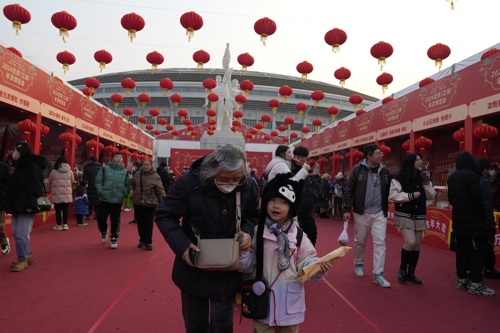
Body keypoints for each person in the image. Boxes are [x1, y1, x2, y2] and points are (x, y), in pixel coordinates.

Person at [155, 144, 260, 333]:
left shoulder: (248, 184)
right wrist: (183, 246)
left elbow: (253, 214)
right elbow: (164, 214)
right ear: (212, 172)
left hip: (228, 266)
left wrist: (247, 231)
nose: (230, 183)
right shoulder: (188, 183)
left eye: (236, 179)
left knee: (222, 324)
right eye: (224, 178)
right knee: (195, 323)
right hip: (194, 265)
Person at [238, 173, 332, 332]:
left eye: (283, 202)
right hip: (262, 299)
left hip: (289, 300)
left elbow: (305, 260)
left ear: (291, 208)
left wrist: (315, 266)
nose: (276, 206)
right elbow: (247, 265)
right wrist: (244, 251)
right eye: (272, 200)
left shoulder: (298, 235)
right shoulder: (257, 232)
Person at [343, 144, 391, 288]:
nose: (380, 156)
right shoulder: (358, 169)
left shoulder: (385, 171)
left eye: (381, 153)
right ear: (369, 156)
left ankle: (378, 274)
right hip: (361, 211)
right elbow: (349, 190)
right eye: (377, 153)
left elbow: (388, 190)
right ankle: (358, 263)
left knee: (380, 242)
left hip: (379, 212)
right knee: (360, 241)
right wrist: (346, 208)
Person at [448, 152, 494, 296]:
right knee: (478, 252)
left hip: (458, 223)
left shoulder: (452, 177)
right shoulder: (472, 176)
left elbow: (451, 200)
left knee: (461, 252)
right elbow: (478, 201)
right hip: (473, 223)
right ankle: (476, 283)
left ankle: (461, 280)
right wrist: (485, 217)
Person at [389, 153, 436, 285]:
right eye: (418, 160)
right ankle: (402, 269)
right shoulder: (400, 177)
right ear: (410, 162)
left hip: (419, 214)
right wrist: (409, 196)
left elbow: (431, 195)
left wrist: (427, 182)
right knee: (410, 242)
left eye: (421, 159)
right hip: (405, 214)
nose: (421, 162)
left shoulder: (422, 177)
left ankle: (411, 273)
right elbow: (393, 195)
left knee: (416, 245)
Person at [4, 142, 48, 272]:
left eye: (15, 151)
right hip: (17, 205)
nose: (13, 153)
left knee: (22, 233)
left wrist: (30, 203)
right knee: (16, 233)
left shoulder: (32, 167)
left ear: (20, 151)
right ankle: (27, 254)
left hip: (26, 205)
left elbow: (35, 187)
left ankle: (22, 259)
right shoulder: (20, 167)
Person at [95, 152, 130, 249]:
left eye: (120, 157)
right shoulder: (105, 169)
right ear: (112, 158)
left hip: (117, 199)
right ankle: (104, 231)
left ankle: (114, 238)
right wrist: (101, 192)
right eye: (117, 157)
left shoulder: (126, 172)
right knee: (101, 217)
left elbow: (128, 185)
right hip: (104, 198)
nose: (118, 159)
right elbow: (98, 181)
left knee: (115, 219)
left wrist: (124, 194)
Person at [129, 159, 165, 251]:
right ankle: (142, 240)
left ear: (151, 166)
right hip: (138, 202)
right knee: (140, 222)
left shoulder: (155, 176)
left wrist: (164, 201)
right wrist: (131, 190)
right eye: (144, 165)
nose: (146, 166)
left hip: (150, 203)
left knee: (148, 222)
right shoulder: (137, 174)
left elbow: (160, 190)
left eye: (147, 165)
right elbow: (130, 184)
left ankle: (148, 241)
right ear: (142, 165)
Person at [477, 157, 500, 279]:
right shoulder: (484, 181)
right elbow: (487, 202)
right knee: (486, 245)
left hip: (478, 217)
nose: (491, 171)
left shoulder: (474, 180)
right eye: (489, 169)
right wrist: (490, 221)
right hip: (485, 218)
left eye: (493, 169)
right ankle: (487, 270)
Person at [291, 146, 318, 246]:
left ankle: (309, 257)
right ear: (294, 156)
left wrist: (315, 196)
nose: (301, 159)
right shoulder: (290, 169)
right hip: (294, 210)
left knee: (312, 232)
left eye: (303, 157)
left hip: (306, 210)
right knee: (294, 236)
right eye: (298, 156)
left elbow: (313, 186)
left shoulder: (309, 171)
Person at [49, 155, 75, 231]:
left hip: (57, 194)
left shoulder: (53, 171)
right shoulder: (70, 171)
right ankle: (65, 225)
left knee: (58, 210)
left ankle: (59, 225)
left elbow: (50, 181)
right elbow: (72, 181)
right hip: (66, 193)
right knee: (65, 210)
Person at [82, 156, 102, 220]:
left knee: (89, 202)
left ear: (90, 160)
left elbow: (84, 178)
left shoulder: (87, 167)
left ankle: (89, 215)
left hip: (89, 187)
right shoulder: (100, 168)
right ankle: (97, 214)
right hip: (98, 187)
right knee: (97, 201)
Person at [0, 160, 11, 255]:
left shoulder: (4, 167)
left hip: (0, 201)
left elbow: (7, 186)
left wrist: (3, 198)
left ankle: (4, 242)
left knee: (0, 226)